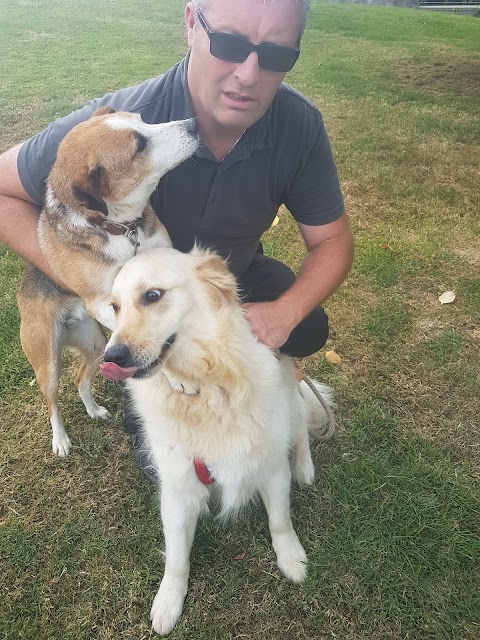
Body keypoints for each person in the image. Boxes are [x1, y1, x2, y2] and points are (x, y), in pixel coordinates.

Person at [0, 0, 354, 477]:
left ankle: (272, 381)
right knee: (173, 468)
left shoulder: (299, 125)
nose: (249, 74)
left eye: (275, 55)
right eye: (229, 43)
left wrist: (284, 314)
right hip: (147, 312)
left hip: (227, 281)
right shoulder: (115, 128)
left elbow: (333, 241)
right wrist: (82, 278)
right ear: (192, 24)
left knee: (308, 327)